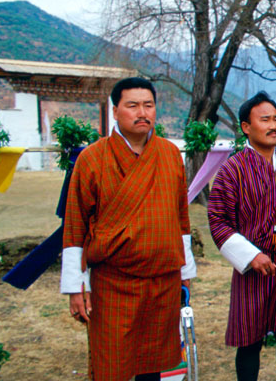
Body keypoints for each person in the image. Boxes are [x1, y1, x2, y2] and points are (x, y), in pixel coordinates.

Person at [61, 77, 197, 381]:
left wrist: (185, 270)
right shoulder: (92, 158)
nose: (142, 113)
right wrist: (75, 287)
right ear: (115, 110)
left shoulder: (170, 154)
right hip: (113, 284)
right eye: (132, 105)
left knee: (154, 364)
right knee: (113, 364)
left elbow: (180, 218)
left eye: (148, 105)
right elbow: (75, 224)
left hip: (163, 283)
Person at [207, 92, 276, 381]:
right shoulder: (233, 169)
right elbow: (218, 220)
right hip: (254, 268)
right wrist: (250, 255)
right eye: (264, 119)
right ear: (246, 127)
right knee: (249, 341)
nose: (273, 126)